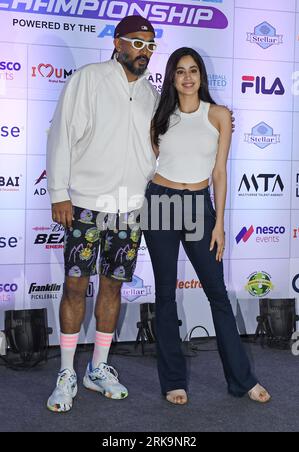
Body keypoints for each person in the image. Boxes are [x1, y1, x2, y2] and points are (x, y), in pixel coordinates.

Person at [143, 47, 271, 405]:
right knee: (165, 296)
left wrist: (220, 225)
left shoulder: (218, 115)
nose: (187, 77)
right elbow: (153, 159)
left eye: (193, 70)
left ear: (201, 76)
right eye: (180, 71)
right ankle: (173, 382)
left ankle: (242, 380)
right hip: (160, 204)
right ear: (172, 77)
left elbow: (219, 173)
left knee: (218, 294)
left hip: (200, 208)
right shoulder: (159, 116)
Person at [46, 15, 160, 413]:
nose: (144, 52)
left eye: (150, 45)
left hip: (129, 210)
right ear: (117, 42)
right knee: (76, 285)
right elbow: (61, 134)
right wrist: (59, 193)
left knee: (113, 287)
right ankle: (66, 372)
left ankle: (98, 368)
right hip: (85, 205)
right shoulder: (89, 78)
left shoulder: (151, 95)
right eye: (137, 43)